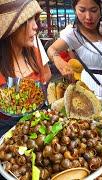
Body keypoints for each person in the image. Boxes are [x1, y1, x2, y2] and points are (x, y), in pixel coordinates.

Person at [48, 0, 102, 96]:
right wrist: (58, 59)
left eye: (93, 10)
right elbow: (51, 49)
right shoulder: (73, 34)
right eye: (82, 10)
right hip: (89, 93)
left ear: (100, 9)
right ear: (75, 10)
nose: (88, 17)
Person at [0, 0, 52, 134]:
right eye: (29, 20)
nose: (36, 26)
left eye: (35, 19)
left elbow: (46, 78)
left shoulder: (35, 53)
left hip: (39, 131)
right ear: (12, 28)